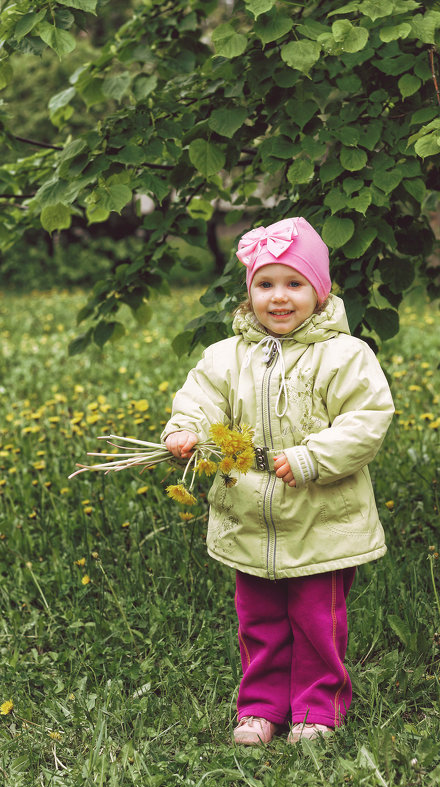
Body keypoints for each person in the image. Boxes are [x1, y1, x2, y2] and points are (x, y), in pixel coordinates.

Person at [162, 217, 394, 745]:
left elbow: (367, 421)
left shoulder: (345, 355)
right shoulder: (226, 356)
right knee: (259, 621)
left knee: (317, 620)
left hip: (322, 519)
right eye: (265, 284)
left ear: (320, 289)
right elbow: (199, 399)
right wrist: (185, 431)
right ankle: (261, 707)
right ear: (250, 294)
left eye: (294, 283)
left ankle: (317, 709)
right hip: (248, 516)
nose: (279, 298)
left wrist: (313, 457)